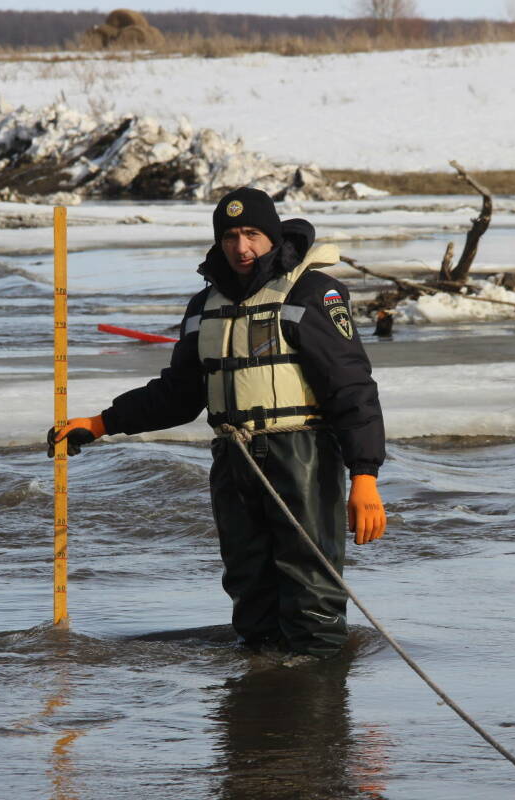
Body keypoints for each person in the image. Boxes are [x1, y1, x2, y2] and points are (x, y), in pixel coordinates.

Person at [48, 187, 386, 658]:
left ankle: (321, 712)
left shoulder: (313, 293)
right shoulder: (204, 306)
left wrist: (364, 477)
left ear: (271, 236)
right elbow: (179, 394)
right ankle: (261, 709)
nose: (241, 247)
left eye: (252, 234)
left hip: (301, 459)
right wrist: (101, 423)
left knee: (312, 593)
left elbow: (352, 389)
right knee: (249, 591)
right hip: (233, 462)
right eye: (230, 236)